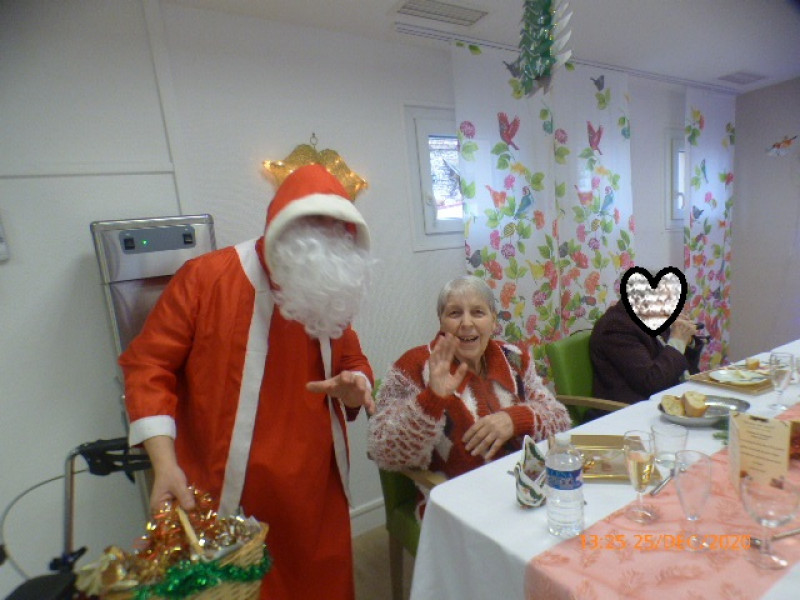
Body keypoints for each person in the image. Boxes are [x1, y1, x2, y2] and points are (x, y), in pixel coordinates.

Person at [119, 163, 375, 600]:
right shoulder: (205, 278)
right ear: (280, 225)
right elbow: (147, 366)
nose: (325, 239)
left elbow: (351, 358)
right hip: (229, 493)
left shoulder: (328, 289)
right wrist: (164, 463)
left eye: (337, 228)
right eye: (312, 225)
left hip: (316, 495)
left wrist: (358, 383)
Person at [367, 275, 571, 518]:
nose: (466, 323)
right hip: (458, 503)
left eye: (478, 312)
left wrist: (516, 419)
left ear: (493, 320)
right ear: (441, 321)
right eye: (454, 313)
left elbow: (560, 419)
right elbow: (382, 449)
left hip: (529, 488)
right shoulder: (413, 367)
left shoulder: (514, 358)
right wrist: (431, 400)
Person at [589, 300, 704, 404]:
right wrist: (678, 342)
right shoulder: (616, 326)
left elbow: (687, 369)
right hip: (631, 411)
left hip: (671, 397)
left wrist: (687, 341)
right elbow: (652, 383)